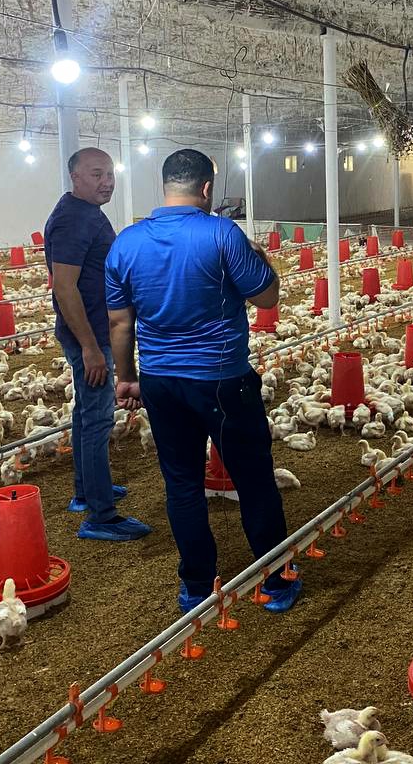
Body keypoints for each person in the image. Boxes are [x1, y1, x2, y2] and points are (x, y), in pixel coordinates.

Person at [104, 148, 300, 614]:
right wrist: (260, 257)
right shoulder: (222, 233)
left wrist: (127, 379)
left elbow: (119, 323)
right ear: (207, 188)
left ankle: (196, 584)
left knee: (182, 484)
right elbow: (267, 298)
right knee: (254, 479)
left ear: (165, 185)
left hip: (161, 381)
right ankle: (275, 580)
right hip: (221, 380)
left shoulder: (126, 243)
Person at [44, 147, 151, 542]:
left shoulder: (85, 212)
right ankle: (101, 516)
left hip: (93, 330)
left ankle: (86, 491)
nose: (107, 182)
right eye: (96, 174)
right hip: (89, 334)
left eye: (109, 173)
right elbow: (64, 286)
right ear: (75, 176)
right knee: (98, 419)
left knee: (87, 414)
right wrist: (90, 347)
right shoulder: (73, 219)